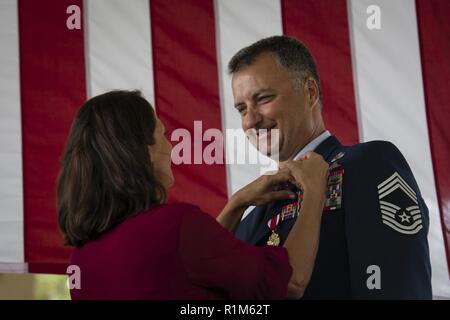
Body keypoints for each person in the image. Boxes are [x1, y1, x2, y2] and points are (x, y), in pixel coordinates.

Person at [56, 90, 329, 300]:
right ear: (145, 150)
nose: (171, 146)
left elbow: (184, 266)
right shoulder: (175, 226)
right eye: (162, 135)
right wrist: (315, 188)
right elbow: (289, 281)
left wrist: (237, 203)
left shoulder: (81, 261)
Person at [229, 36, 432, 299]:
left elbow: (398, 284)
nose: (251, 120)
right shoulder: (252, 216)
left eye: (264, 98)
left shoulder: (367, 165)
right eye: (242, 109)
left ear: (310, 92)